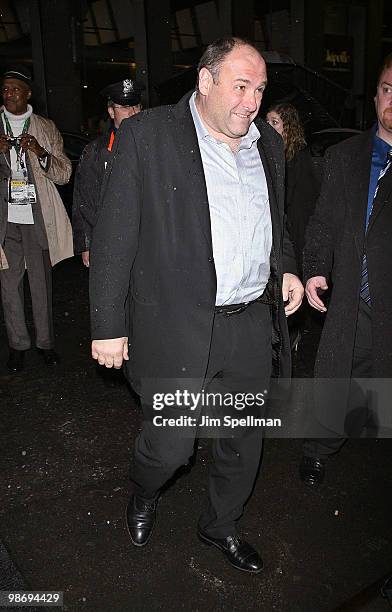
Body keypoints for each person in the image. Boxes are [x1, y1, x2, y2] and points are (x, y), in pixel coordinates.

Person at [90, 37, 303, 574]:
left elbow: (276, 222)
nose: (252, 101)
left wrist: (289, 268)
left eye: (259, 89)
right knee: (168, 448)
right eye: (240, 86)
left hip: (250, 323)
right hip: (177, 325)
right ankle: (144, 491)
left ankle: (220, 526)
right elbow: (115, 237)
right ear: (205, 81)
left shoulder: (267, 146)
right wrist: (108, 324)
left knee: (242, 442)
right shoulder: (148, 136)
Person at [299, 52, 392, 486]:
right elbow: (324, 221)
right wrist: (316, 267)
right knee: (336, 379)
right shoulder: (345, 156)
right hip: (355, 296)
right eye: (388, 91)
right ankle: (318, 450)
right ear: (375, 97)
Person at [0, 65, 73, 373]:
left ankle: (45, 344)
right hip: (5, 221)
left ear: (27, 93)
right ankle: (18, 345)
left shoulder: (44, 126)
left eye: (15, 89)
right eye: (4, 89)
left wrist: (41, 152)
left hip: (36, 216)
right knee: (8, 285)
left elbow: (64, 173)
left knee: (40, 284)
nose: (8, 94)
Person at [72, 78, 145, 267]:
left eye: (136, 107)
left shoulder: (154, 146)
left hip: (146, 236)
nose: (132, 113)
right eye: (124, 107)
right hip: (110, 237)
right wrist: (86, 245)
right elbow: (84, 199)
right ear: (111, 112)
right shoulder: (96, 150)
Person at [266, 102, 320, 274]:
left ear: (288, 127)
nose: (269, 127)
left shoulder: (299, 156)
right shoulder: (272, 153)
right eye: (267, 122)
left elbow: (302, 203)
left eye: (274, 122)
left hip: (296, 232)